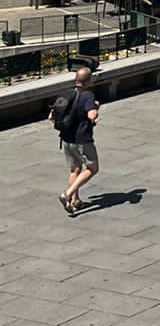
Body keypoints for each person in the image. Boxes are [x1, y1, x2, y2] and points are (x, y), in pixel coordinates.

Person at [55, 59, 100, 216]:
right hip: (82, 139)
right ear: (88, 81)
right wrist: (95, 111)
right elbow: (91, 114)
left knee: (75, 169)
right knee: (92, 168)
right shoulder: (88, 95)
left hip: (66, 138)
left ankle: (75, 201)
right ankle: (67, 194)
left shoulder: (66, 94)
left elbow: (51, 116)